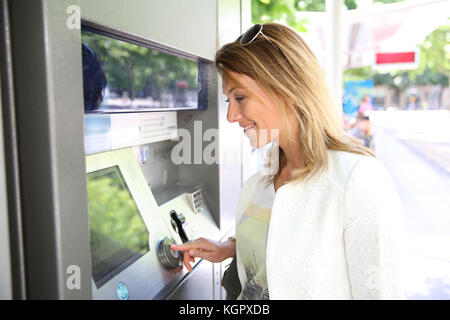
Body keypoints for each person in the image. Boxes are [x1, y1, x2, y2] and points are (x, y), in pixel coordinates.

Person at [171, 23, 404, 300]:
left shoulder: (358, 179)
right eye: (228, 100)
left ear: (286, 89)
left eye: (240, 97)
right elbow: (285, 238)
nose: (231, 116)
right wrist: (233, 247)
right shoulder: (261, 180)